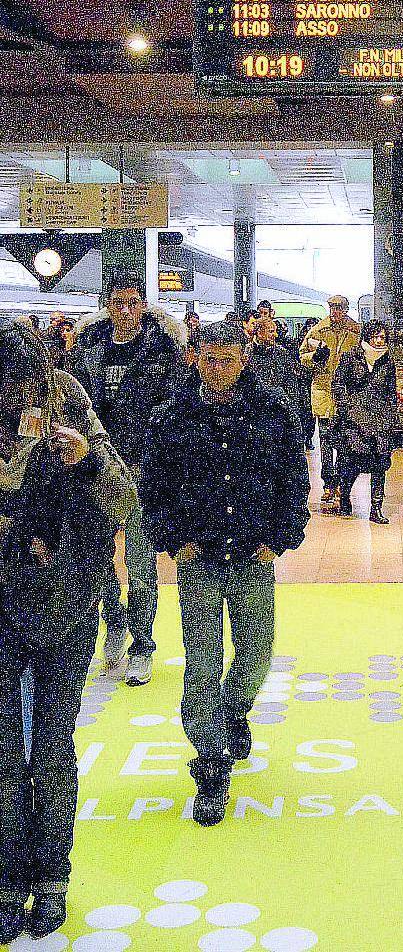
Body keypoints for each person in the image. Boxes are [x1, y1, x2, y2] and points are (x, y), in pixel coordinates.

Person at [138, 321, 310, 826]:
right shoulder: (171, 418)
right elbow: (154, 486)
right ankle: (210, 765)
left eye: (229, 360)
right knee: (202, 660)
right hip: (200, 559)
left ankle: (234, 710)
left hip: (253, 555)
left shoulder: (273, 414)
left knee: (257, 654)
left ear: (245, 360)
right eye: (211, 358)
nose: (219, 369)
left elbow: (292, 480)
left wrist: (278, 540)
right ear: (197, 358)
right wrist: (176, 540)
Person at [0, 320, 136, 941]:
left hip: (63, 603)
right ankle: (8, 878)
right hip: (8, 601)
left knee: (52, 745)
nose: (22, 396)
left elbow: (121, 499)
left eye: (29, 380)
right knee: (5, 749)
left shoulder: (71, 401)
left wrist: (87, 456)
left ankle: (50, 876)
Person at [70, 271, 187, 685]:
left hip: (142, 471)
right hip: (95, 471)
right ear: (108, 304)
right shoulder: (87, 349)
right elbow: (74, 405)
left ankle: (142, 644)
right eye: (117, 303)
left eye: (132, 303)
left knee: (140, 565)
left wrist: (156, 461)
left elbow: (173, 409)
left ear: (143, 304)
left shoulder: (163, 350)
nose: (125, 312)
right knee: (97, 560)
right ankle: (114, 621)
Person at [332, 319, 400, 524]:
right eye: (376, 336)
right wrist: (346, 406)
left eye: (383, 337)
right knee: (350, 465)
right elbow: (338, 384)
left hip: (379, 422)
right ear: (367, 336)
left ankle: (376, 508)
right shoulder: (351, 356)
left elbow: (390, 392)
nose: (380, 341)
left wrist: (389, 416)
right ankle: (344, 497)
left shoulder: (388, 362)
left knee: (380, 465)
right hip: (354, 421)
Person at [299, 296, 361, 511]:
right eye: (333, 307)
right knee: (325, 439)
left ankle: (343, 484)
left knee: (345, 441)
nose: (336, 311)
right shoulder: (317, 330)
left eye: (340, 307)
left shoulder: (355, 331)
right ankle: (329, 482)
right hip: (323, 390)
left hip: (347, 394)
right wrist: (315, 357)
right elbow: (302, 356)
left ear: (346, 308)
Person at [248, 316, 300, 409]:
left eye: (275, 331)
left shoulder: (282, 353)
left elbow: (291, 384)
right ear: (259, 333)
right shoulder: (246, 354)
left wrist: (292, 407)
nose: (276, 335)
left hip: (279, 409)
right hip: (254, 409)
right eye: (271, 331)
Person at [295, 318, 319, 451]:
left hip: (314, 380)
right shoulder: (299, 343)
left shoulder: (322, 342)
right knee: (303, 410)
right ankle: (303, 437)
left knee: (310, 412)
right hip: (301, 381)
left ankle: (308, 437)